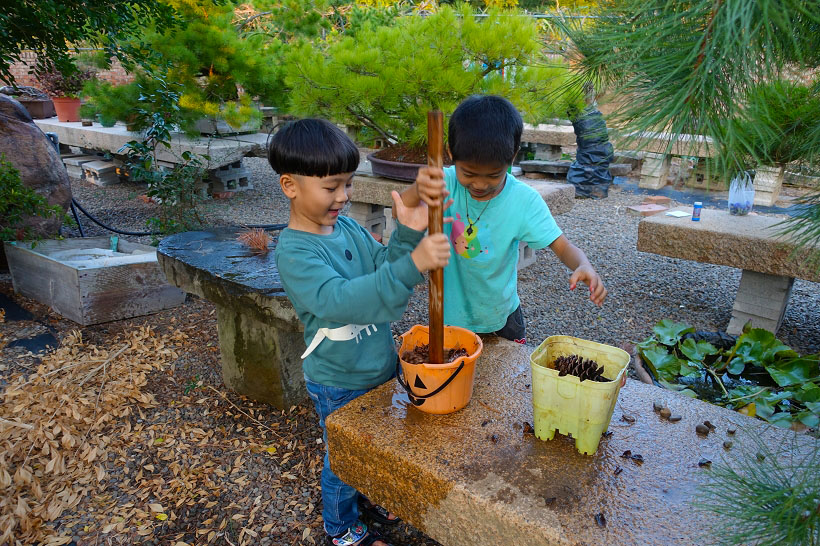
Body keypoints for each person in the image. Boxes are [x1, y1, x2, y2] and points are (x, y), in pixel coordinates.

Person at [271, 118, 451, 546]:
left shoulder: (348, 226)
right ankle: (341, 529)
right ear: (290, 186)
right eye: (331, 187)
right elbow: (344, 300)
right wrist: (414, 265)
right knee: (343, 459)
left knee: (373, 442)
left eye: (348, 185)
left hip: (377, 364)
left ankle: (368, 497)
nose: (343, 196)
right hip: (338, 378)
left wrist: (406, 228)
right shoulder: (296, 252)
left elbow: (382, 267)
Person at [400, 95, 607, 343]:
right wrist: (417, 189)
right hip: (447, 317)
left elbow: (562, 246)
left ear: (513, 157)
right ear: (450, 153)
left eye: (493, 175)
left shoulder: (523, 201)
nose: (479, 184)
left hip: (502, 320)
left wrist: (583, 264)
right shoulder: (443, 183)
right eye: (468, 173)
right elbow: (400, 210)